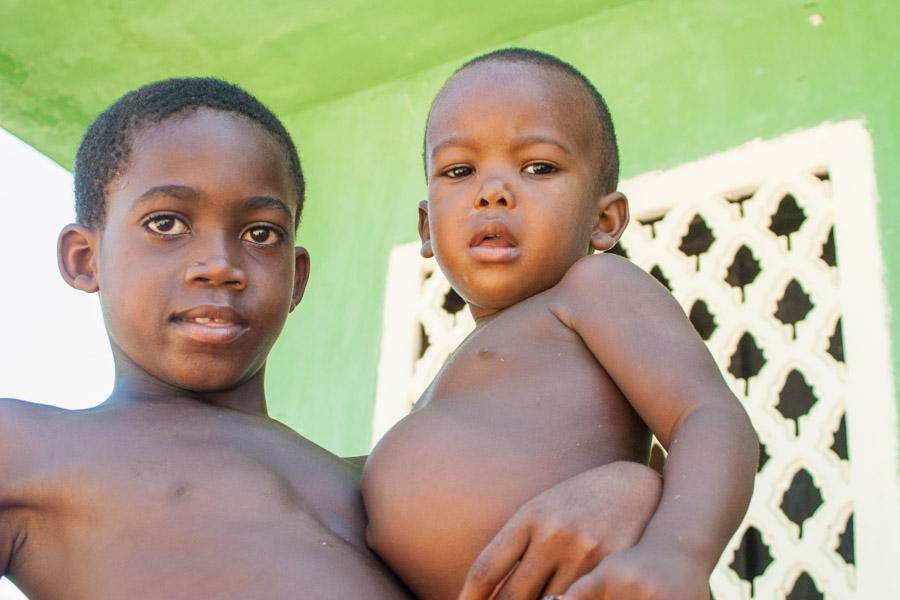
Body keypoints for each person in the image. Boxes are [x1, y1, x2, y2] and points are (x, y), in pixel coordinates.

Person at [0, 77, 661, 599]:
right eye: (167, 223)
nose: (219, 264)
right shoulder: (32, 447)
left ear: (296, 278)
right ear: (85, 260)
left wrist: (636, 488)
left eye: (261, 233)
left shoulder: (375, 491)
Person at [362, 49, 759, 600]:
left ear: (604, 220)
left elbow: (707, 415)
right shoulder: (453, 378)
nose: (492, 191)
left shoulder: (593, 290)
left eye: (539, 167)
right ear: (428, 228)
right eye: (459, 170)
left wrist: (676, 553)